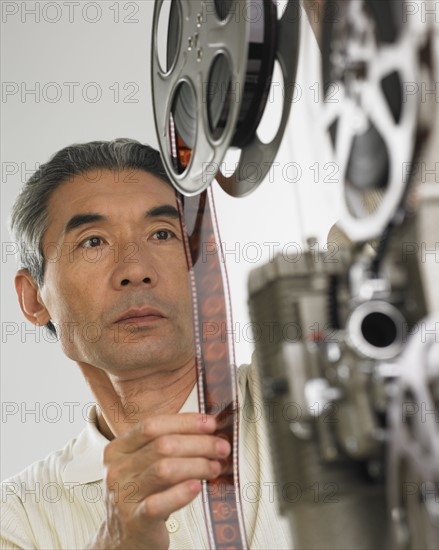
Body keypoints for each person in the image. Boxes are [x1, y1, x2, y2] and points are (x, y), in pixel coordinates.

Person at [1, 139, 292, 549]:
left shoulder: (303, 389)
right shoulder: (17, 517)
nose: (135, 270)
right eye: (93, 241)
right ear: (33, 299)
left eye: (162, 233)